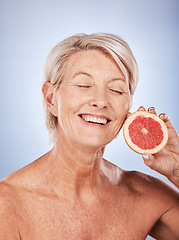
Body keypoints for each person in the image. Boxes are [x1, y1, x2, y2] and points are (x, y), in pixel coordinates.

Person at [0, 33, 179, 240]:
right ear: (51, 99)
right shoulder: (8, 204)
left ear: (128, 107)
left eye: (116, 90)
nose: (101, 101)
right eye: (84, 85)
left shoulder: (146, 196)